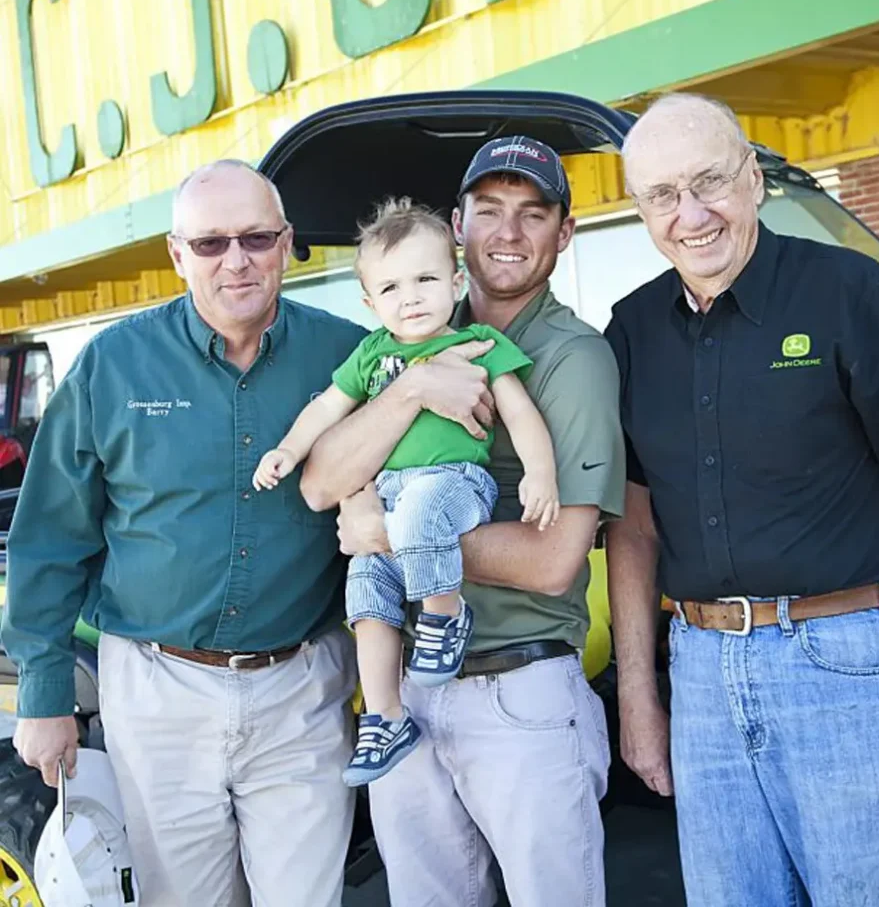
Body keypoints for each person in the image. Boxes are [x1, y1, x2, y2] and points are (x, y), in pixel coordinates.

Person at [604, 92, 879, 906]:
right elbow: (635, 530)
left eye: (709, 181)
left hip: (856, 672)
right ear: (640, 209)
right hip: (703, 677)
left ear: (753, 177)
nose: (690, 214)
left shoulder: (852, 295)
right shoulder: (632, 330)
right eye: (663, 195)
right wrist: (639, 697)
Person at [1, 159, 367, 907]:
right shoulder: (112, 365)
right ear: (177, 254)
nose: (237, 261)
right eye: (210, 244)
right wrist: (43, 693)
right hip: (157, 689)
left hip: (301, 684)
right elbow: (50, 538)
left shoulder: (349, 357)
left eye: (257, 238)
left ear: (287, 243)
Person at [299, 136, 626, 907]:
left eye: (532, 213)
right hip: (410, 692)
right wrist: (413, 390)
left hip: (517, 691)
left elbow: (554, 560)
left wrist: (390, 534)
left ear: (564, 232)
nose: (508, 233)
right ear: (457, 228)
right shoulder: (399, 342)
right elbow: (318, 484)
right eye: (489, 211)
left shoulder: (571, 357)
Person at [252, 198, 559, 786]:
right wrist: (288, 451)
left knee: (418, 512)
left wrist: (539, 473)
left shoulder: (477, 343)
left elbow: (520, 414)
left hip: (455, 484)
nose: (410, 298)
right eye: (391, 288)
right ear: (370, 303)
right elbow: (327, 408)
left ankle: (445, 616)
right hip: (391, 494)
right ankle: (386, 716)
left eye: (425, 280)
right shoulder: (372, 354)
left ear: (456, 281)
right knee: (365, 583)